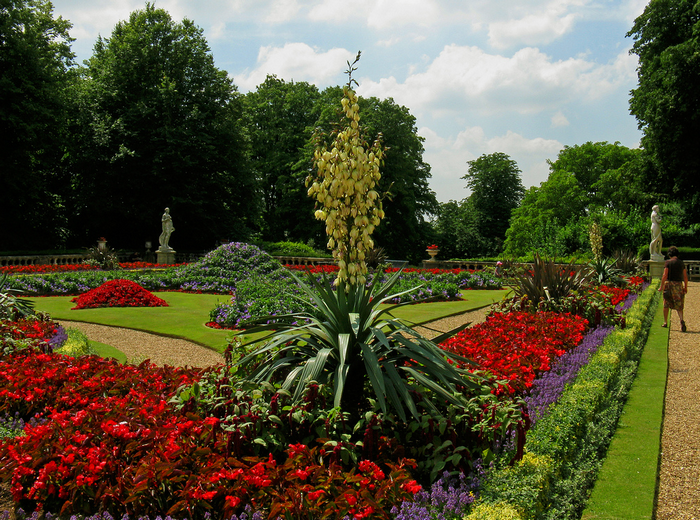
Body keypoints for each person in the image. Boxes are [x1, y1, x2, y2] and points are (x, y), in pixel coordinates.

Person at [659, 245, 688, 331]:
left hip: (669, 284)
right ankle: (681, 320)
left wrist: (661, 286)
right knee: (679, 304)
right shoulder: (681, 263)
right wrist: (685, 287)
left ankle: (665, 322)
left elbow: (665, 275)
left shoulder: (668, 262)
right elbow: (685, 276)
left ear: (669, 254)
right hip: (678, 285)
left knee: (666, 303)